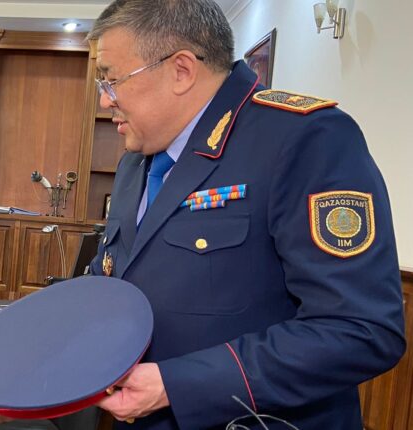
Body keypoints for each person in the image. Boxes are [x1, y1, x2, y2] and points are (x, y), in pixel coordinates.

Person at [83, 0, 406, 429]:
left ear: (181, 70)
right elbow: (110, 281)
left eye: (112, 80)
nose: (106, 100)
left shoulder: (304, 138)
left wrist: (177, 385)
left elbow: (359, 329)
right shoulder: (136, 162)